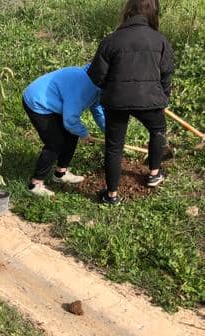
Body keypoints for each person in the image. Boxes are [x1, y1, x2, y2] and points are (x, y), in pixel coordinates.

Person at [88, 0, 173, 205]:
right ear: (153, 13)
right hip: (150, 99)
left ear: (127, 11)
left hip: (116, 100)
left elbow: (96, 75)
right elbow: (166, 73)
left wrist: (112, 86)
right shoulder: (160, 40)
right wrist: (164, 97)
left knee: (114, 146)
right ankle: (154, 173)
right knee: (157, 130)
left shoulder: (111, 40)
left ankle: (111, 196)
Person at [22, 65, 106, 197]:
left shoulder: (98, 83)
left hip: (56, 101)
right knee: (55, 144)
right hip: (38, 101)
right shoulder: (84, 87)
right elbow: (70, 120)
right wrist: (84, 133)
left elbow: (97, 109)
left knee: (72, 135)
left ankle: (60, 173)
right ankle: (35, 184)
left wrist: (109, 132)